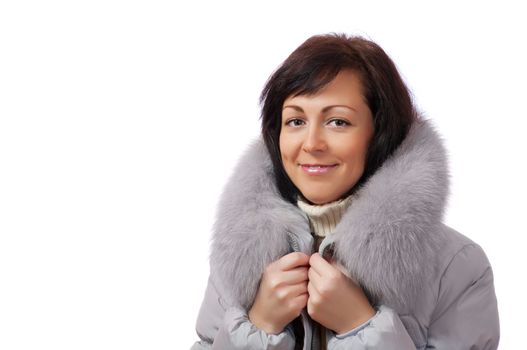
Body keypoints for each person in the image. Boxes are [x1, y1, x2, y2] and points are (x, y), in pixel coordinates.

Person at [190, 33, 500, 349]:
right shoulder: (241, 254)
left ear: (380, 133)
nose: (311, 144)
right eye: (296, 121)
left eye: (338, 122)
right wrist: (258, 327)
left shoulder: (456, 266)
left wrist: (362, 326)